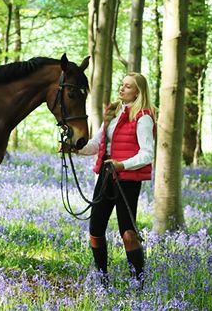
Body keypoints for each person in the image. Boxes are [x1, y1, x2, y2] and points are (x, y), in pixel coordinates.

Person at [77, 73, 156, 285]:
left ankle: (138, 283)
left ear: (137, 92)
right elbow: (97, 143)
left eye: (128, 87)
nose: (122, 89)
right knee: (95, 230)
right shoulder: (113, 113)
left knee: (128, 234)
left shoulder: (144, 117)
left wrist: (122, 165)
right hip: (105, 175)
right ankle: (103, 279)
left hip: (127, 180)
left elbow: (147, 153)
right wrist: (76, 149)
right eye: (122, 85)